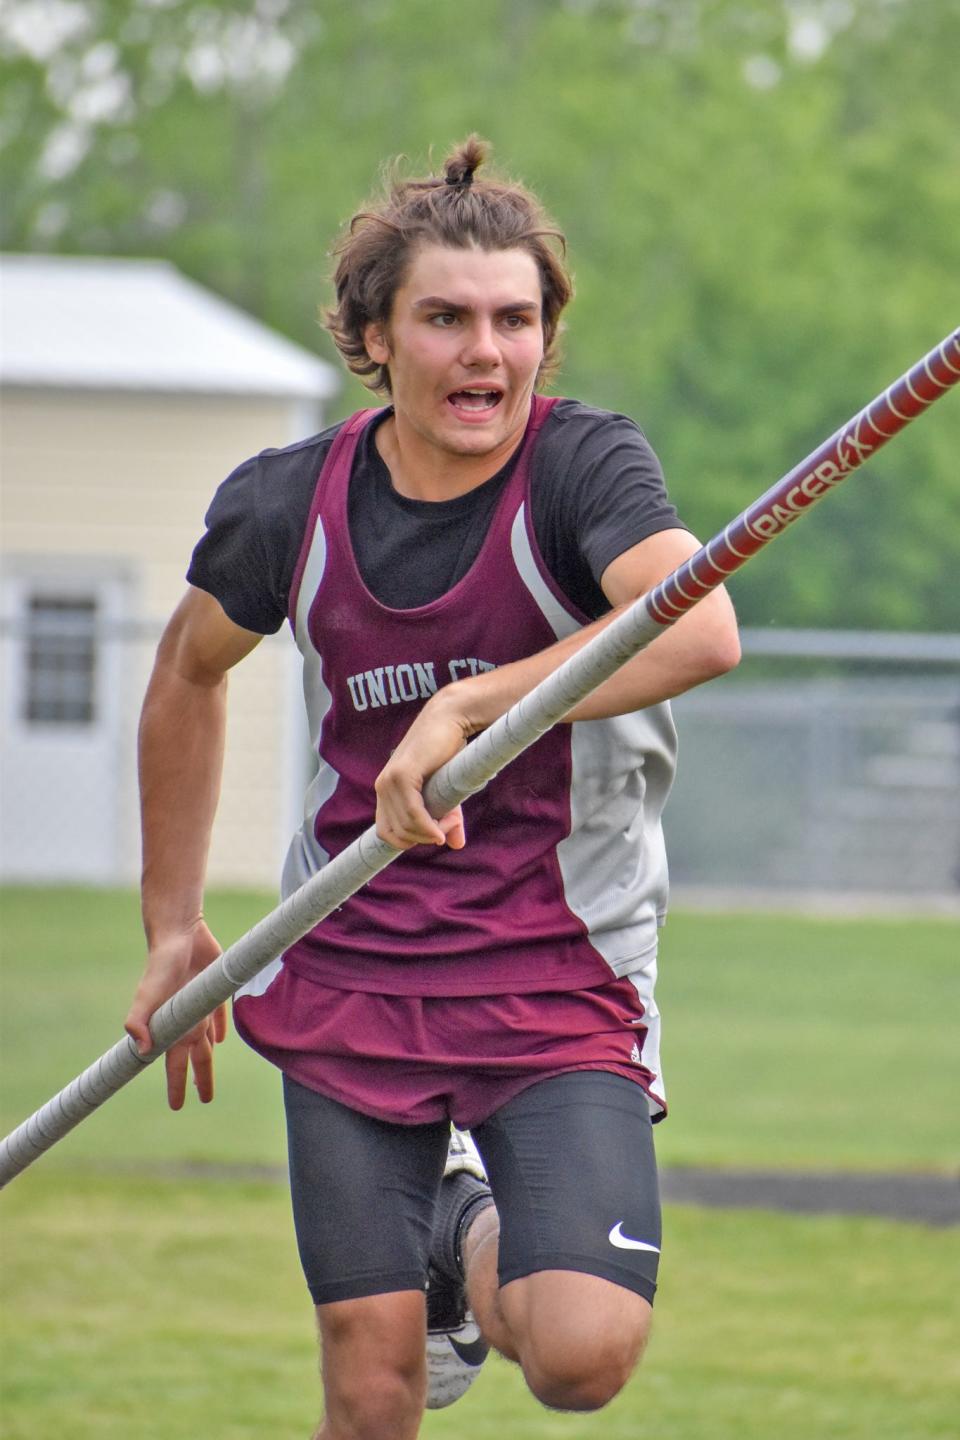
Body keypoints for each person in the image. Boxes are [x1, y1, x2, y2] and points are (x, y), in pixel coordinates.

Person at [125, 135, 740, 1438]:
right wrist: (172, 925)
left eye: (516, 321)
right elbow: (187, 672)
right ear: (373, 337)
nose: (486, 353)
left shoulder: (584, 470)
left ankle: (462, 1236)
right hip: (350, 955)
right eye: (446, 319)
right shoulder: (287, 506)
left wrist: (471, 700)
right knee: (370, 1386)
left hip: (557, 967)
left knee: (579, 1352)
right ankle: (441, 1250)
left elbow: (699, 630)